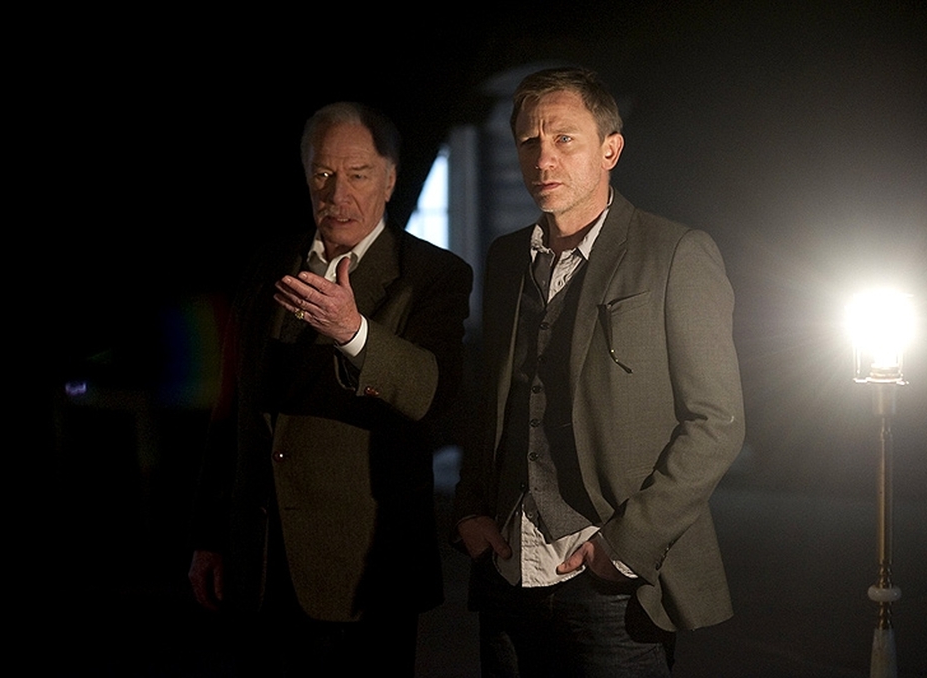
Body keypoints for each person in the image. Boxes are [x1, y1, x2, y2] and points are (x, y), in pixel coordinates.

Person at [453, 67, 745, 677]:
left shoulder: (675, 252)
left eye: (564, 139)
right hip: (508, 569)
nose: (543, 159)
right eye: (529, 142)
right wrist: (470, 507)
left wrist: (627, 545)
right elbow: (490, 401)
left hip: (614, 583)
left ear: (610, 149)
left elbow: (716, 422)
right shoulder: (506, 258)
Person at [189, 102, 472, 676]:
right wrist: (210, 535)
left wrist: (353, 332)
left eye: (358, 174)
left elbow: (431, 393)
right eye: (323, 173)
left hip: (364, 572)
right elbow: (232, 407)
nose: (338, 193)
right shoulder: (269, 263)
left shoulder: (432, 275)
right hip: (260, 565)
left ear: (390, 179)